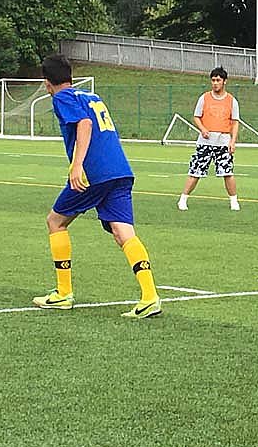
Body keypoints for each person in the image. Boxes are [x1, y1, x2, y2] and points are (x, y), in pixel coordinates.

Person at [33, 54, 162, 319]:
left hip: (95, 174)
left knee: (55, 221)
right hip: (120, 170)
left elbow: (85, 123)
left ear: (47, 83)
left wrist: (77, 165)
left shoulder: (61, 97)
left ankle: (63, 293)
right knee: (123, 232)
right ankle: (150, 297)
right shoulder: (92, 96)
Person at [177, 66, 241, 211]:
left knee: (227, 172)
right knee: (195, 171)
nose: (215, 83)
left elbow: (235, 122)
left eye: (218, 80)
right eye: (213, 80)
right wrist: (203, 129)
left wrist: (232, 141)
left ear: (224, 81)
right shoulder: (204, 98)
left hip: (223, 142)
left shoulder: (232, 101)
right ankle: (183, 199)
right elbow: (196, 116)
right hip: (205, 142)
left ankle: (234, 201)